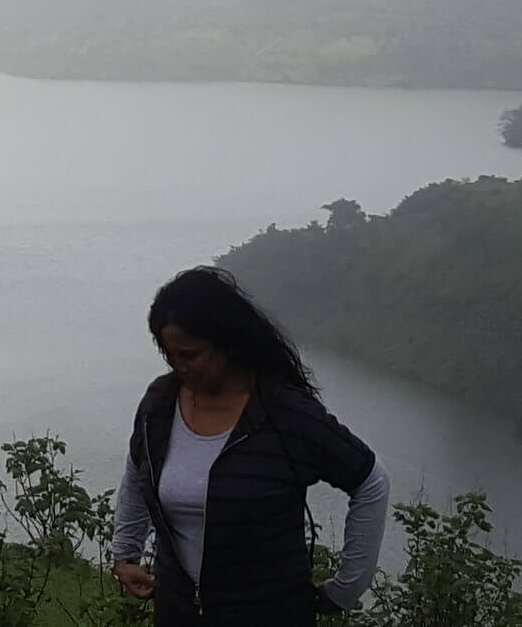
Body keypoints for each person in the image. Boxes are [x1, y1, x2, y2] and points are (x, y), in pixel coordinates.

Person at [108, 267, 389, 626]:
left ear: (227, 343)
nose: (180, 368)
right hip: (178, 612)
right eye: (170, 356)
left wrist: (345, 589)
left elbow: (370, 482)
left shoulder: (284, 413)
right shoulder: (160, 404)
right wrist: (125, 554)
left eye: (190, 355)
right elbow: (139, 468)